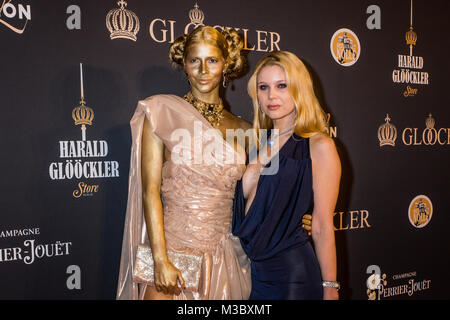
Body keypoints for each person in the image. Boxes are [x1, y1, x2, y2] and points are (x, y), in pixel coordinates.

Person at [232, 51, 341, 300]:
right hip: (254, 274)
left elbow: (323, 225)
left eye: (282, 85)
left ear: (299, 89)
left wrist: (330, 287)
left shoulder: (317, 145)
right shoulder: (256, 145)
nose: (272, 96)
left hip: (294, 276)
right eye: (264, 87)